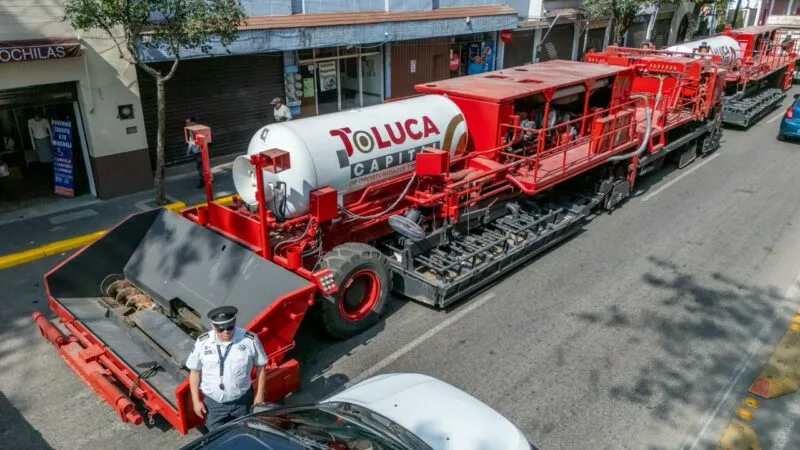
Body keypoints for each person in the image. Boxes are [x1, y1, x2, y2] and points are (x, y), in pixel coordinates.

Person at [186, 306, 268, 431]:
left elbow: (261, 367)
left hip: (242, 403)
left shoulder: (249, 340)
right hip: (214, 405)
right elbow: (195, 372)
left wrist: (259, 394)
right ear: (213, 326)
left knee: (245, 434)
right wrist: (196, 401)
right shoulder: (202, 343)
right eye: (221, 329)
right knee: (218, 438)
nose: (226, 332)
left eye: (230, 327)